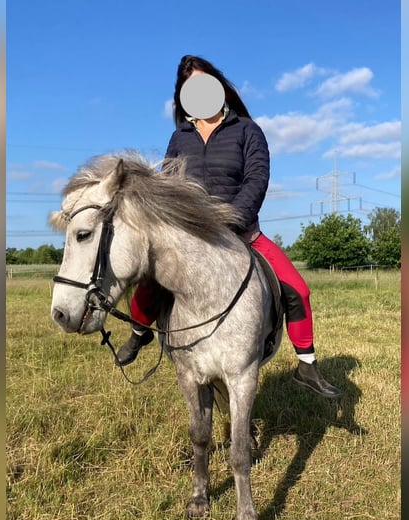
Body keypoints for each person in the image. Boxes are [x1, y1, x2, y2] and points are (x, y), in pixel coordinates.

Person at [116, 55, 342, 399]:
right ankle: (139, 333)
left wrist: (231, 220)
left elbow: (257, 179)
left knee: (298, 289)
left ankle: (306, 364)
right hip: (190, 237)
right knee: (150, 283)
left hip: (243, 233)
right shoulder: (180, 137)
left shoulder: (248, 130)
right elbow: (168, 186)